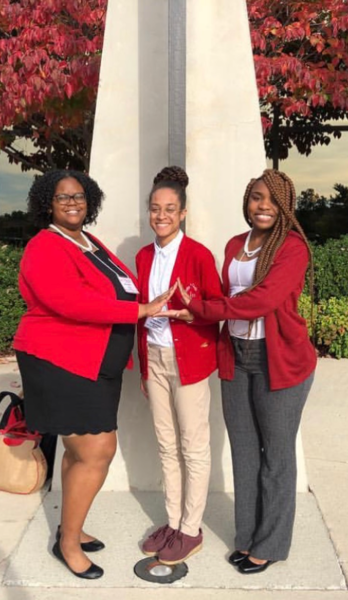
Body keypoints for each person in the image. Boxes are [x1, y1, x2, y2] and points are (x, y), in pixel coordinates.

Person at [13, 170, 174, 581]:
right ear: (47, 202)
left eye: (80, 197)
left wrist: (151, 298)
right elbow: (70, 301)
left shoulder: (87, 242)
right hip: (61, 361)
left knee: (78, 452)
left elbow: (120, 286)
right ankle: (67, 545)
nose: (72, 202)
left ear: (91, 201)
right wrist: (138, 311)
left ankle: (71, 527)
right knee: (97, 451)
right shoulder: (44, 245)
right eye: (63, 197)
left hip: (94, 362)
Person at [162, 168, 316, 574]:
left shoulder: (292, 247)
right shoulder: (235, 244)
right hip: (236, 355)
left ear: (286, 205)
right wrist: (188, 299)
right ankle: (247, 537)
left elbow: (258, 302)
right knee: (245, 454)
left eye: (272, 199)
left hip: (279, 359)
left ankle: (270, 544)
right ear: (247, 202)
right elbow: (219, 294)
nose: (263, 206)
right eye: (256, 198)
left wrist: (201, 308)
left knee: (276, 458)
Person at [136, 166, 223, 565]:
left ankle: (191, 528)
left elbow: (218, 308)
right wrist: (141, 365)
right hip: (153, 358)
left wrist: (192, 315)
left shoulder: (198, 255)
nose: (161, 215)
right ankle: (173, 521)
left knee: (193, 446)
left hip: (188, 359)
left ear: (183, 213)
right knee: (166, 444)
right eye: (156, 208)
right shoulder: (142, 256)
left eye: (170, 208)